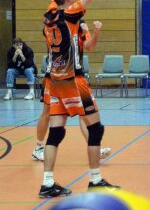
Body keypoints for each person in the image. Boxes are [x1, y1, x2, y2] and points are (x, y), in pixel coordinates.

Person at [38, 0, 119, 198]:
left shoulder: (50, 14)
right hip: (74, 81)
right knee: (95, 129)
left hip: (54, 81)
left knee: (57, 131)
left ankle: (47, 182)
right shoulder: (70, 16)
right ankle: (95, 179)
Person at [32, 20, 111, 162]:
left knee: (84, 114)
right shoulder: (53, 24)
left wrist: (94, 32)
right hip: (54, 77)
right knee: (47, 112)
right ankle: (38, 147)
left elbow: (89, 46)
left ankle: (95, 148)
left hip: (75, 78)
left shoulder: (80, 24)